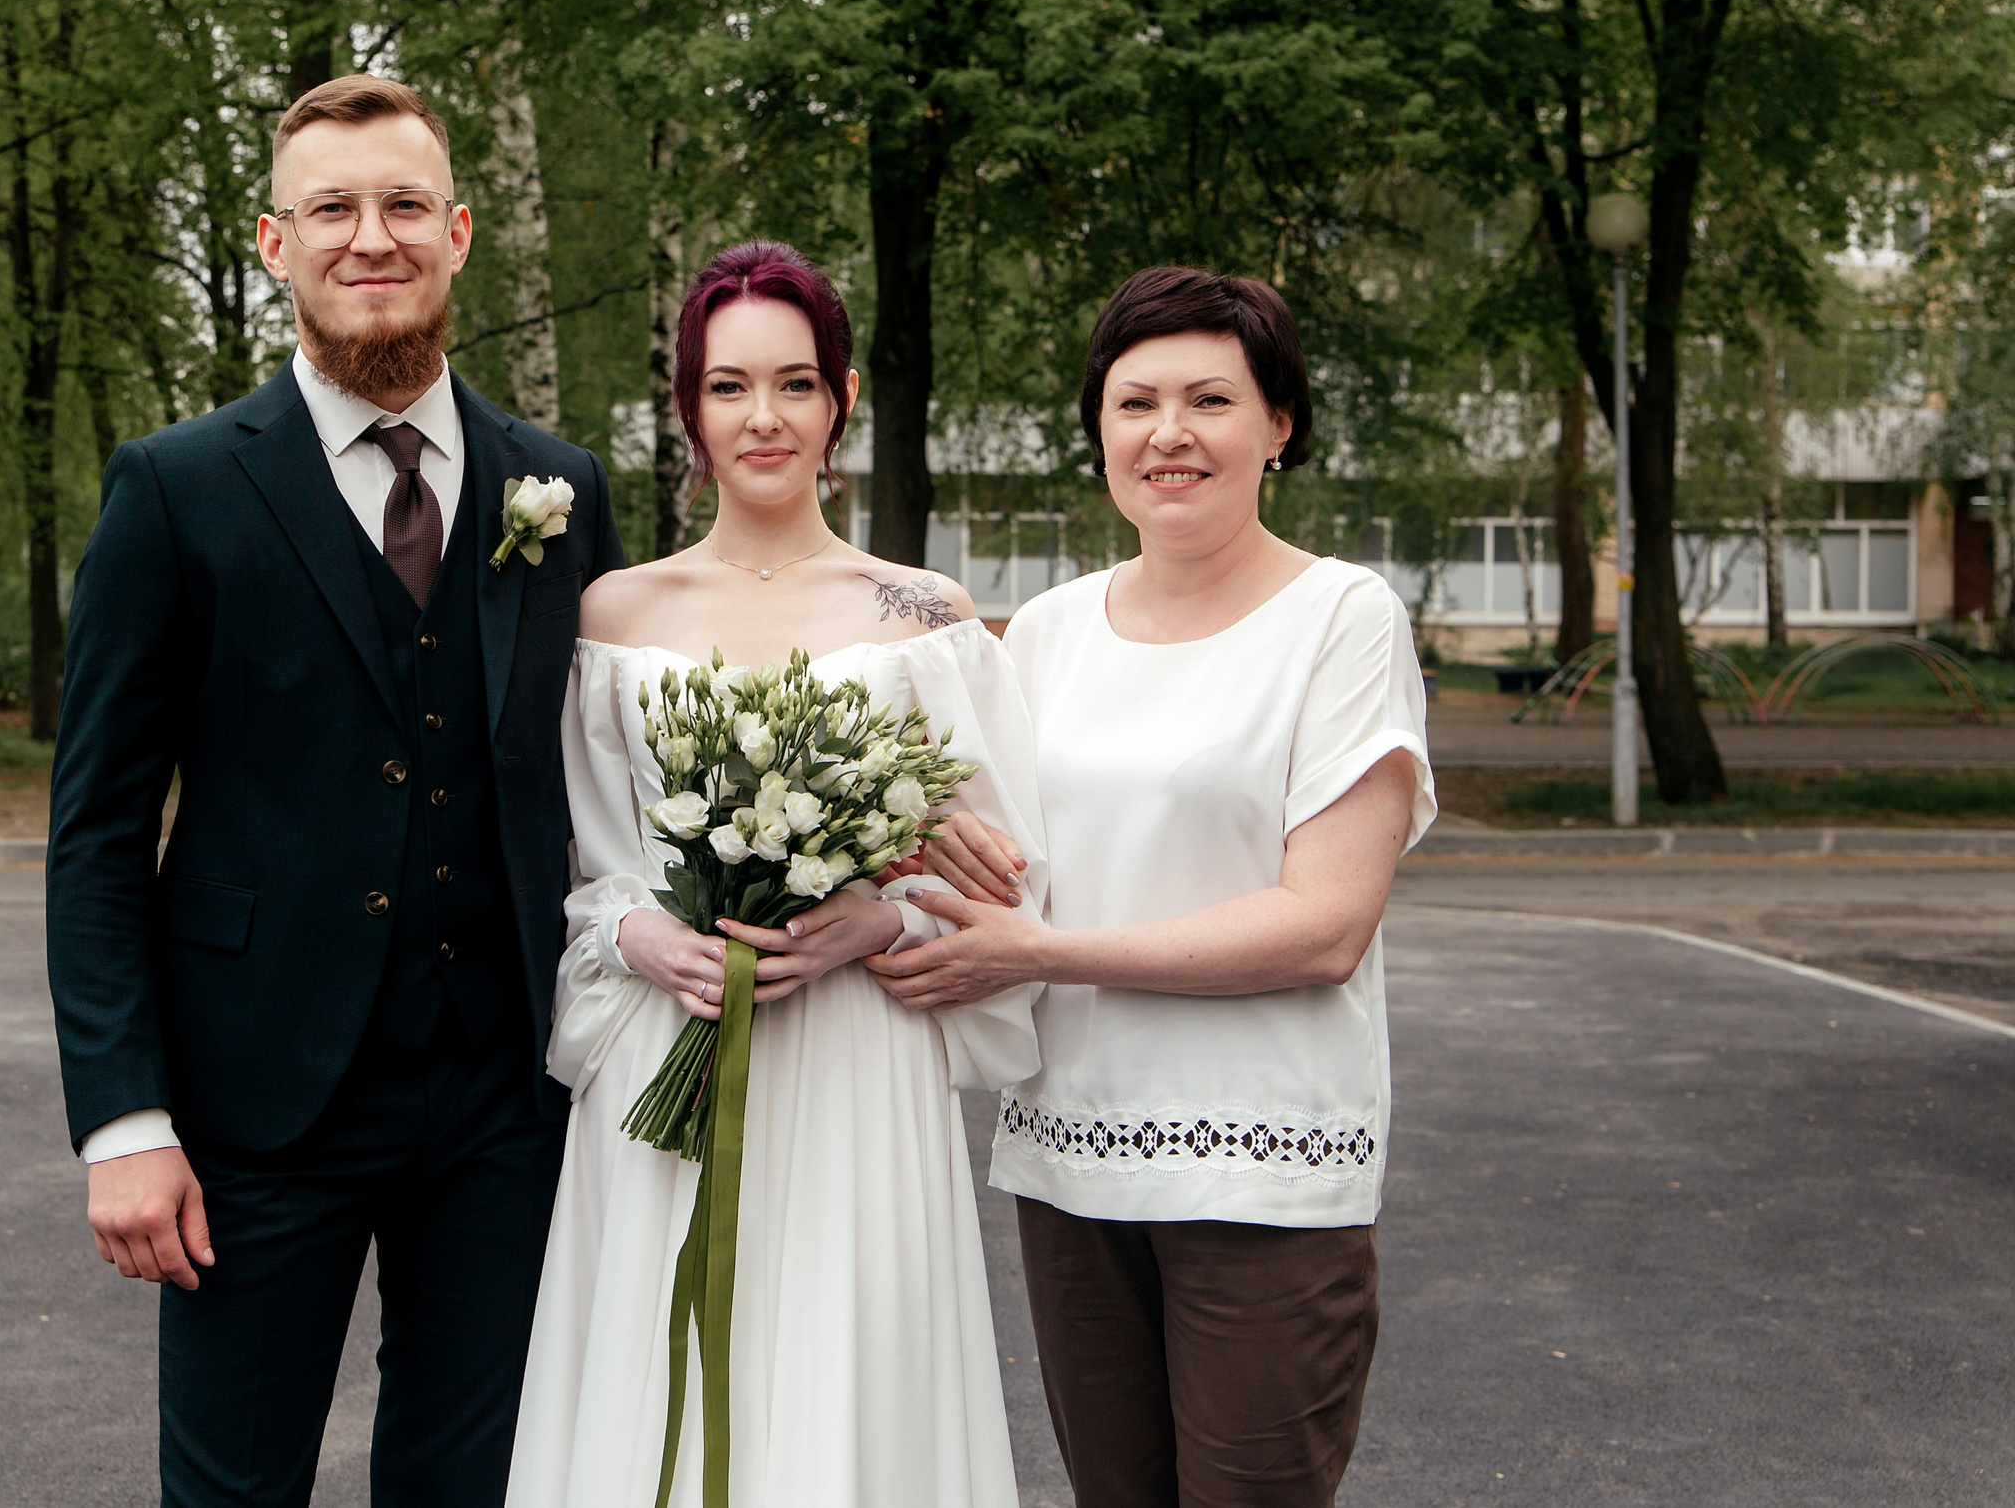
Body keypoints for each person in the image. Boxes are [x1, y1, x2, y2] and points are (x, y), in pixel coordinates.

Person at [45, 74, 628, 1507]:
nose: (372, 235)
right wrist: (125, 1120)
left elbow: (613, 781)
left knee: (479, 1481)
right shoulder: (175, 488)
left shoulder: (558, 487)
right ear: (273, 242)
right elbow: (100, 831)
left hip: (503, 1099)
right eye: (333, 208)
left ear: (460, 230)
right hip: (255, 1104)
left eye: (404, 204)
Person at [867, 266, 1435, 1508]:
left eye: (1210, 399)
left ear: (1277, 425)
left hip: (1263, 1176)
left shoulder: (1341, 620)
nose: (1168, 434)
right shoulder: (1051, 631)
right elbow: (982, 861)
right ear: (1099, 434)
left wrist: (1039, 953)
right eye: (1135, 403)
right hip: (1070, 1163)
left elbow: (1324, 927)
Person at [503, 241, 1048, 1508]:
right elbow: (586, 864)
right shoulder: (612, 613)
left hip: (858, 1058)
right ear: (688, 409)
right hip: (666, 1052)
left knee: (851, 1367)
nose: (764, 417)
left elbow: (999, 877)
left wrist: (876, 918)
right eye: (729, 386)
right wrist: (639, 935)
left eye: (796, 384)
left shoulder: (924, 615)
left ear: (840, 401)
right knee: (657, 1369)